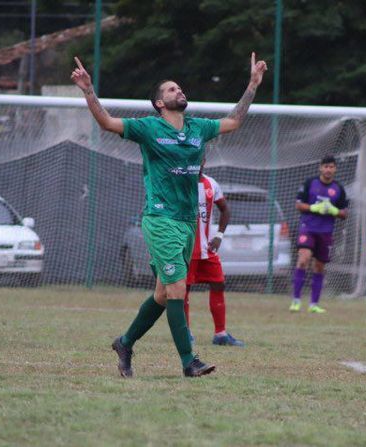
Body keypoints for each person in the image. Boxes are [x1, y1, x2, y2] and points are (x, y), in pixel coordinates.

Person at [71, 53, 266, 377]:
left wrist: (252, 86)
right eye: (172, 89)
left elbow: (233, 122)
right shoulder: (148, 128)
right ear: (160, 102)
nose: (179, 91)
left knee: (163, 294)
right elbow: (107, 123)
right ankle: (189, 362)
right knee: (178, 290)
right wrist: (89, 91)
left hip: (187, 222)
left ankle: (125, 342)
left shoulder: (197, 128)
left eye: (180, 88)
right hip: (160, 220)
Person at [183, 161, 244, 347]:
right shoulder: (180, 182)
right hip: (185, 248)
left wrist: (219, 235)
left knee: (218, 284)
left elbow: (225, 209)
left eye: (199, 158)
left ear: (204, 161)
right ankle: (185, 333)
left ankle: (220, 334)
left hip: (207, 249)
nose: (197, 162)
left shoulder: (212, 183)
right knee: (182, 290)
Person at [289, 155, 348, 314]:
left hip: (326, 232)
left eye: (331, 167)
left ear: (335, 169)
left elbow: (344, 213)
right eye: (326, 166)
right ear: (320, 168)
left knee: (319, 266)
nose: (328, 170)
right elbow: (298, 205)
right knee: (303, 259)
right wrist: (314, 208)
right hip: (308, 228)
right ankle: (296, 300)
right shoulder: (310, 183)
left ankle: (314, 303)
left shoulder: (339, 189)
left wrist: (334, 210)